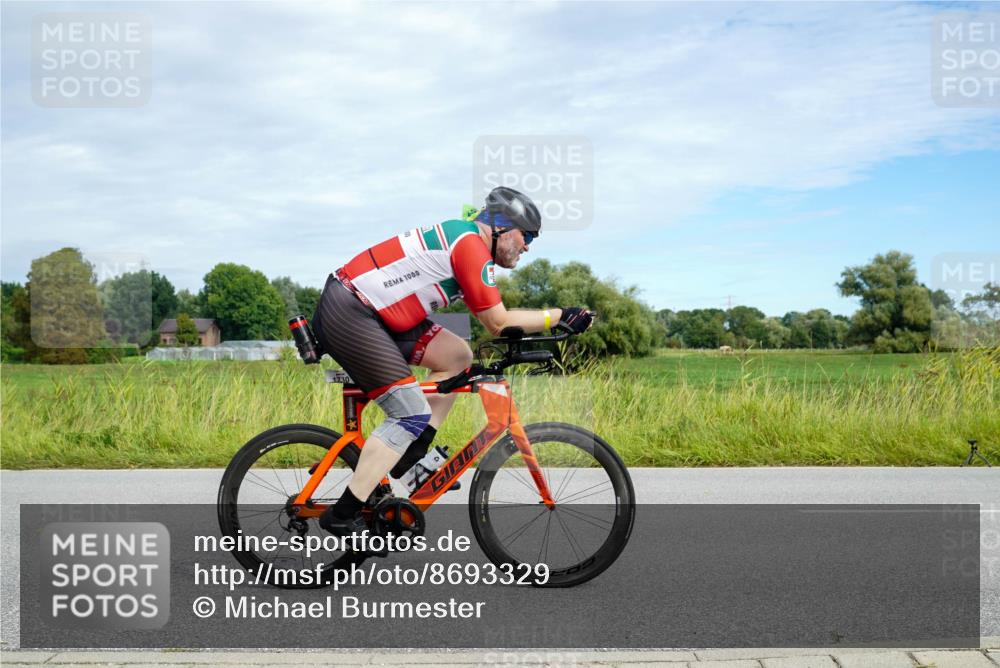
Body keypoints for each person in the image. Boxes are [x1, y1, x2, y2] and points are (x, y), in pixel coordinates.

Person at [313, 186, 593, 538]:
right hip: (350, 311)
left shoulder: (470, 244)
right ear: (503, 227)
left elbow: (493, 325)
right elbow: (498, 322)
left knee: (458, 356)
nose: (527, 247)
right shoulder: (470, 245)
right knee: (409, 412)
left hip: (380, 315)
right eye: (528, 236)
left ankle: (411, 455)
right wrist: (560, 316)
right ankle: (343, 513)